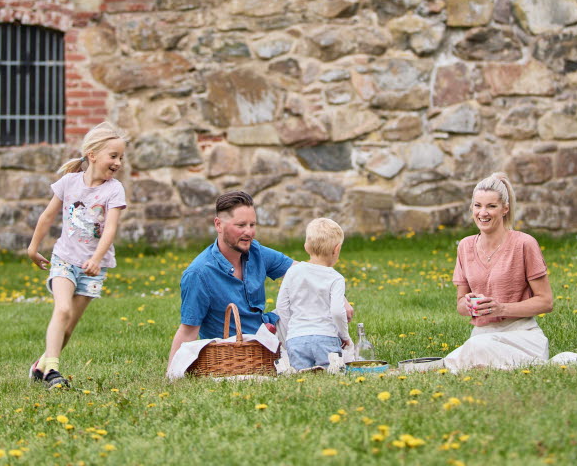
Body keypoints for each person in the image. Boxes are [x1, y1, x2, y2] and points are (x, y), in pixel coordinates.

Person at [167, 191, 354, 365]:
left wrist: (340, 298)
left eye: (252, 225)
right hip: (235, 348)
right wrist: (172, 374)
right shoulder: (199, 273)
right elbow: (188, 330)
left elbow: (302, 271)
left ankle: (332, 353)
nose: (248, 232)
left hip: (267, 332)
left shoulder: (255, 251)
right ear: (218, 225)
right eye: (240, 225)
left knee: (317, 309)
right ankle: (324, 357)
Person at [26, 122, 128, 389]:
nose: (118, 162)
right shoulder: (69, 183)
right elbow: (48, 215)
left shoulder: (114, 190)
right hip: (64, 259)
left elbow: (110, 229)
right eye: (113, 156)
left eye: (121, 157)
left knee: (68, 327)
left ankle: (40, 365)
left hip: (93, 268)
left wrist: (96, 259)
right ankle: (52, 373)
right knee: (62, 309)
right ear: (93, 155)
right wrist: (33, 247)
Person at [441, 172, 557, 372]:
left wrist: (501, 309)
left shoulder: (524, 243)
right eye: (478, 205)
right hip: (481, 335)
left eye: (491, 206)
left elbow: (546, 302)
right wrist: (467, 304)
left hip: (522, 335)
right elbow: (460, 305)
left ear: (505, 209)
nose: (483, 213)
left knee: (467, 356)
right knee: (469, 351)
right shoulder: (465, 246)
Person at [274, 218, 351, 371]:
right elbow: (337, 311)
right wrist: (345, 336)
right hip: (326, 338)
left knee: (301, 377)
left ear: (306, 247)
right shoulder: (336, 278)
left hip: (296, 339)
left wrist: (293, 329)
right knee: (331, 375)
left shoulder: (292, 272)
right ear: (337, 249)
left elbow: (281, 306)